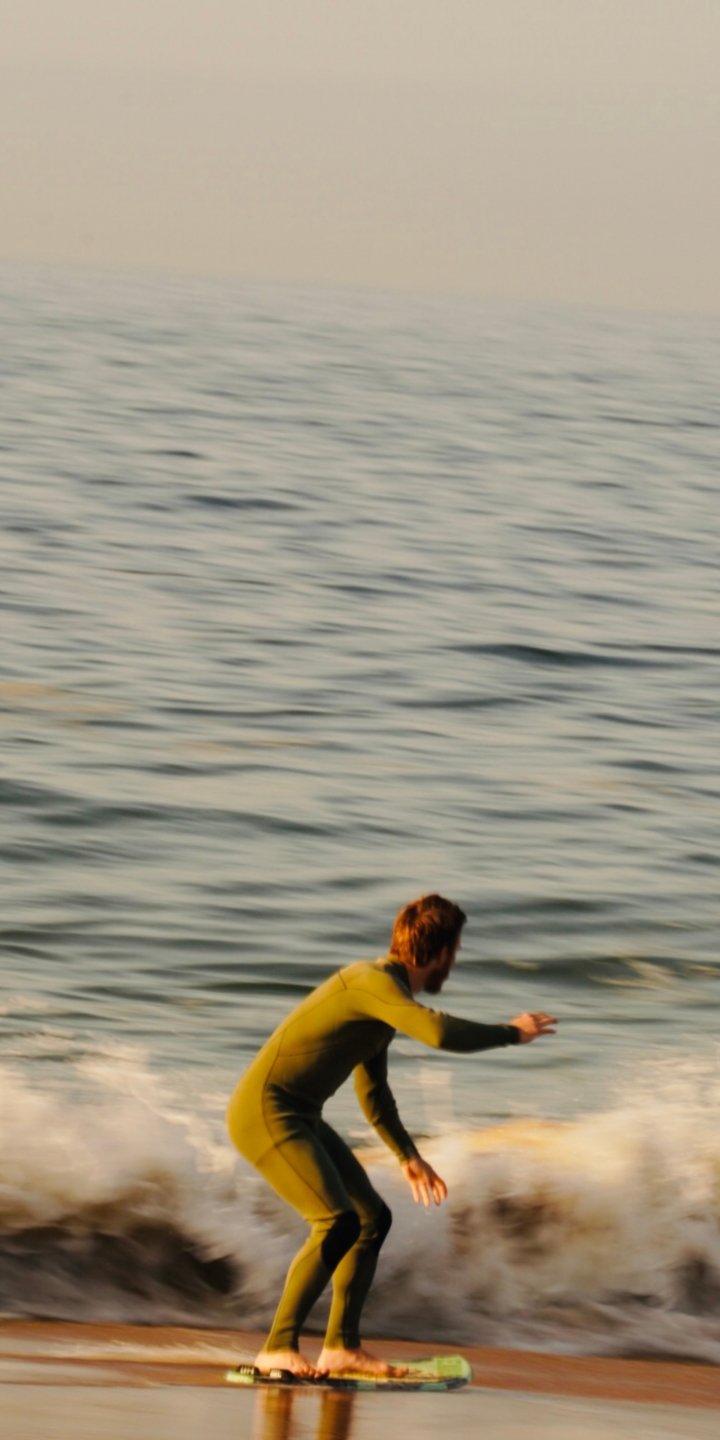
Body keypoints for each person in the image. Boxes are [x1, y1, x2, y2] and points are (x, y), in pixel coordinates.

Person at [227, 893, 556, 1378]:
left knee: (371, 1218)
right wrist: (511, 1032)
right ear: (442, 952)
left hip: (300, 1114)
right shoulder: (372, 983)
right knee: (336, 1221)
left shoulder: (385, 997)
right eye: (456, 950)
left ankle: (341, 1347)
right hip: (266, 1111)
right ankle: (277, 1348)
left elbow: (373, 1092)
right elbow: (438, 1033)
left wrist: (407, 1155)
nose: (455, 963)